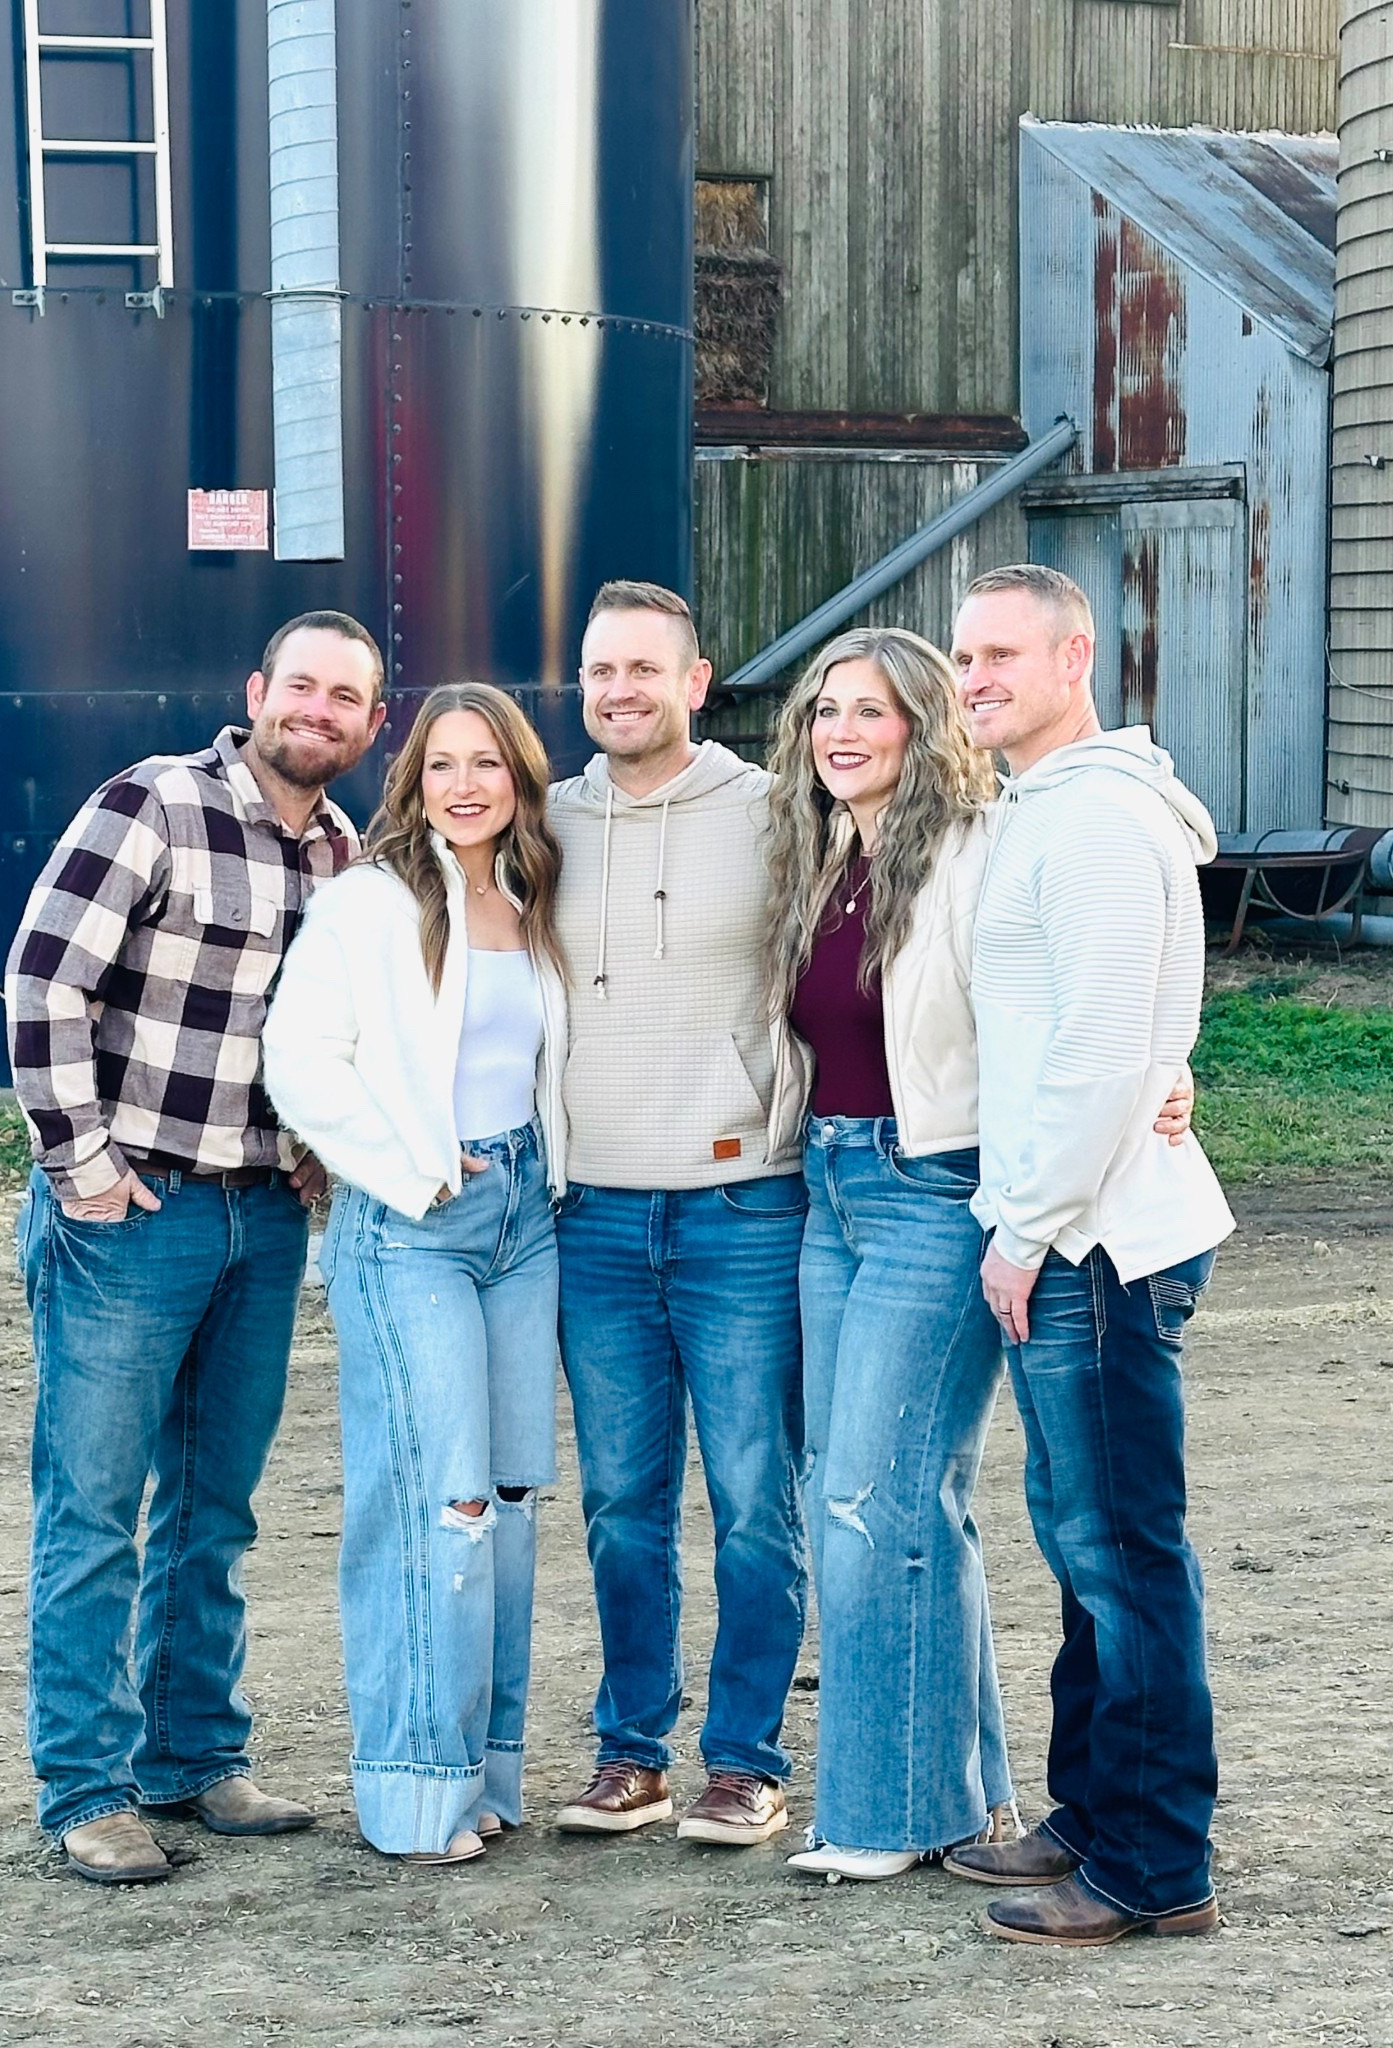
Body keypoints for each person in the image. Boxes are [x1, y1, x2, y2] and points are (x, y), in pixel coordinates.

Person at [760, 626, 1191, 1884]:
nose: (841, 732)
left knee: (878, 1495)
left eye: (871, 711)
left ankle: (888, 1817)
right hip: (829, 1186)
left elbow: (1094, 982)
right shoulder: (818, 853)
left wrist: (1169, 1070)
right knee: (868, 1488)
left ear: (923, 723)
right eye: (824, 710)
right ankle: (956, 1791)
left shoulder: (986, 839)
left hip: (935, 1185)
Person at [5, 610, 386, 1885]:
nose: (318, 711)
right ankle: (87, 1785)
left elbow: (328, 1032)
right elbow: (44, 978)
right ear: (257, 689)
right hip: (134, 1212)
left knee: (213, 1507)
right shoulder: (154, 803)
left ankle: (191, 1752)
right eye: (302, 686)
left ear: (370, 722)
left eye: (345, 697)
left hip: (263, 1216)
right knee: (94, 1507)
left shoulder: (347, 856)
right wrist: (83, 1164)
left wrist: (317, 1148)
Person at [941, 563, 1235, 1946]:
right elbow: (1132, 1029)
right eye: (964, 656)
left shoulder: (1101, 819)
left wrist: (1023, 1231)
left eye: (1002, 653)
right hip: (1076, 1228)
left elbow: (1104, 1052)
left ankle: (1156, 1866)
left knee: (1123, 1554)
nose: (976, 678)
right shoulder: (1050, 807)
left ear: (1076, 659)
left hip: (1096, 1244)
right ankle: (1095, 1812)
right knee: (1085, 1549)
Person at [262, 683, 569, 1866]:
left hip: (524, 1220)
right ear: (414, 781)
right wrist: (407, 1170)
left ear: (519, 777)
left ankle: (484, 1773)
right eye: (442, 763)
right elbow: (299, 1059)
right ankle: (413, 1787)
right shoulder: (372, 900)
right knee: (439, 1503)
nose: (464, 784)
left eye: (487, 762)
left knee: (509, 1505)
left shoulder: (532, 894)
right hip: (414, 1226)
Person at [550, 581, 809, 1847]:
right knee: (620, 1503)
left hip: (741, 1204)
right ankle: (630, 1752)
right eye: (601, 670)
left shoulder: (777, 810)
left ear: (696, 682)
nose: (621, 690)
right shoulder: (543, 819)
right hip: (593, 1212)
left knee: (756, 1497)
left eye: (645, 669)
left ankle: (746, 1759)